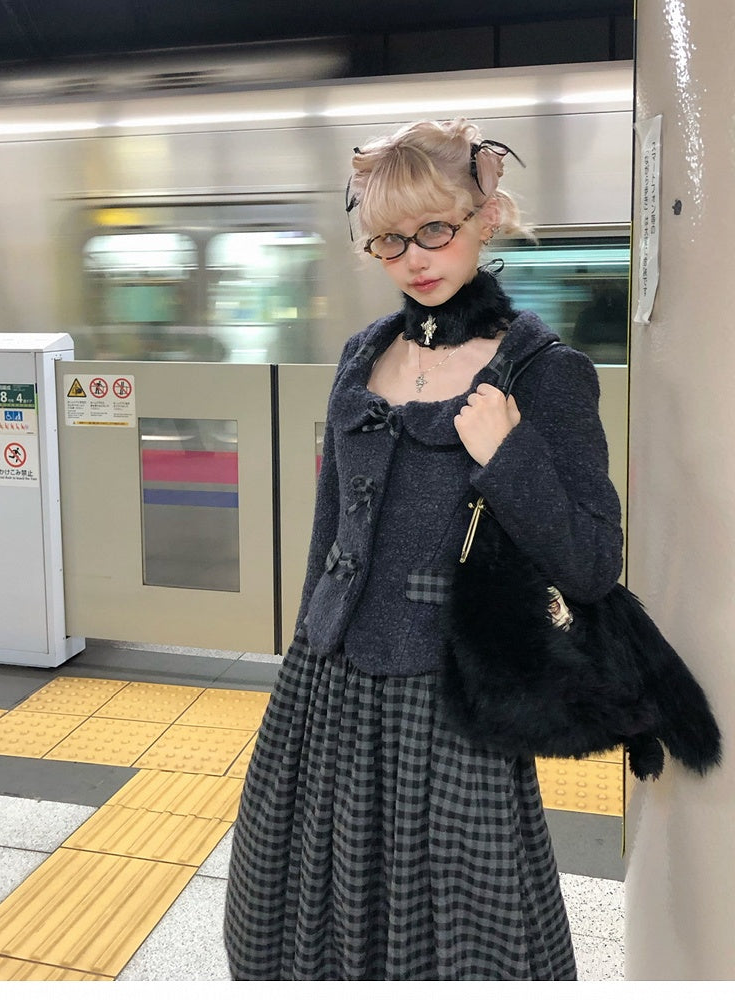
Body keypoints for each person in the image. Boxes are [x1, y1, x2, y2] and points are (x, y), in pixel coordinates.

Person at [224, 118, 624, 981]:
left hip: (450, 704)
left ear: (486, 214)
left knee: (459, 934)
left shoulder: (544, 371)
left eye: (436, 228)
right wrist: (303, 652)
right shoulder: (359, 356)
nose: (415, 257)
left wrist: (509, 456)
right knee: (288, 909)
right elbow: (330, 532)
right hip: (326, 687)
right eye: (389, 240)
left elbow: (593, 564)